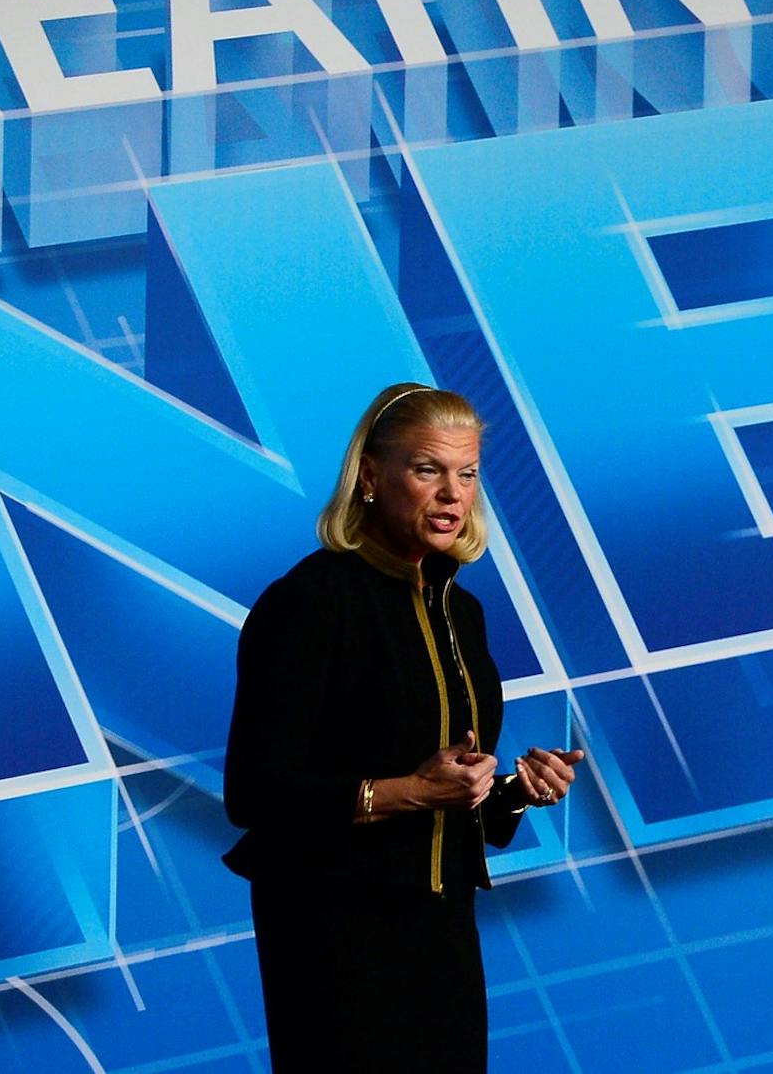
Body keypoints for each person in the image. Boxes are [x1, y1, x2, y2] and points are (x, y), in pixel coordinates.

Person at [222, 382, 586, 1073]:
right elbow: (255, 792)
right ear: (370, 476)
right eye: (428, 469)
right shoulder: (307, 603)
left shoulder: (461, 611)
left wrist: (511, 790)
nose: (453, 493)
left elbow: (450, 793)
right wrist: (411, 791)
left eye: (467, 473)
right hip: (334, 933)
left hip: (441, 930)